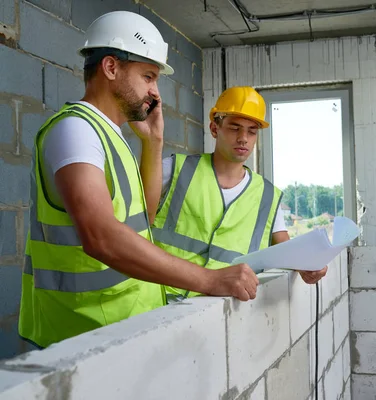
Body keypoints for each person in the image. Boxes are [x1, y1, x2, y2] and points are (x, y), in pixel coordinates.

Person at [18, 12, 258, 349]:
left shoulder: (111, 137)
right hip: (78, 338)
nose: (155, 93)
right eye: (148, 77)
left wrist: (153, 142)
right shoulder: (75, 130)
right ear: (111, 68)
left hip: (119, 332)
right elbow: (101, 237)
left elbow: (141, 221)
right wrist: (208, 279)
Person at [151, 86, 329, 301]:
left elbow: (286, 249)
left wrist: (308, 265)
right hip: (158, 303)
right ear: (215, 129)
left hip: (226, 312)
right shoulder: (174, 169)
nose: (243, 138)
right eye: (235, 128)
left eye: (252, 131)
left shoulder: (268, 196)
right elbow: (134, 226)